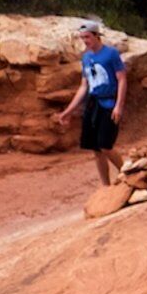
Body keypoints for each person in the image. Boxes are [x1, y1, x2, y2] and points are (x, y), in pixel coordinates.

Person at [56, 21, 130, 186]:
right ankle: (106, 186)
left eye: (88, 37)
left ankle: (126, 173)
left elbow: (122, 79)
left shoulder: (111, 54)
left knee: (105, 145)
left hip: (109, 103)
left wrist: (119, 106)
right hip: (93, 103)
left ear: (97, 36)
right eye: (82, 38)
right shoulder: (86, 57)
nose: (85, 41)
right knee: (96, 149)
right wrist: (68, 111)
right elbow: (84, 86)